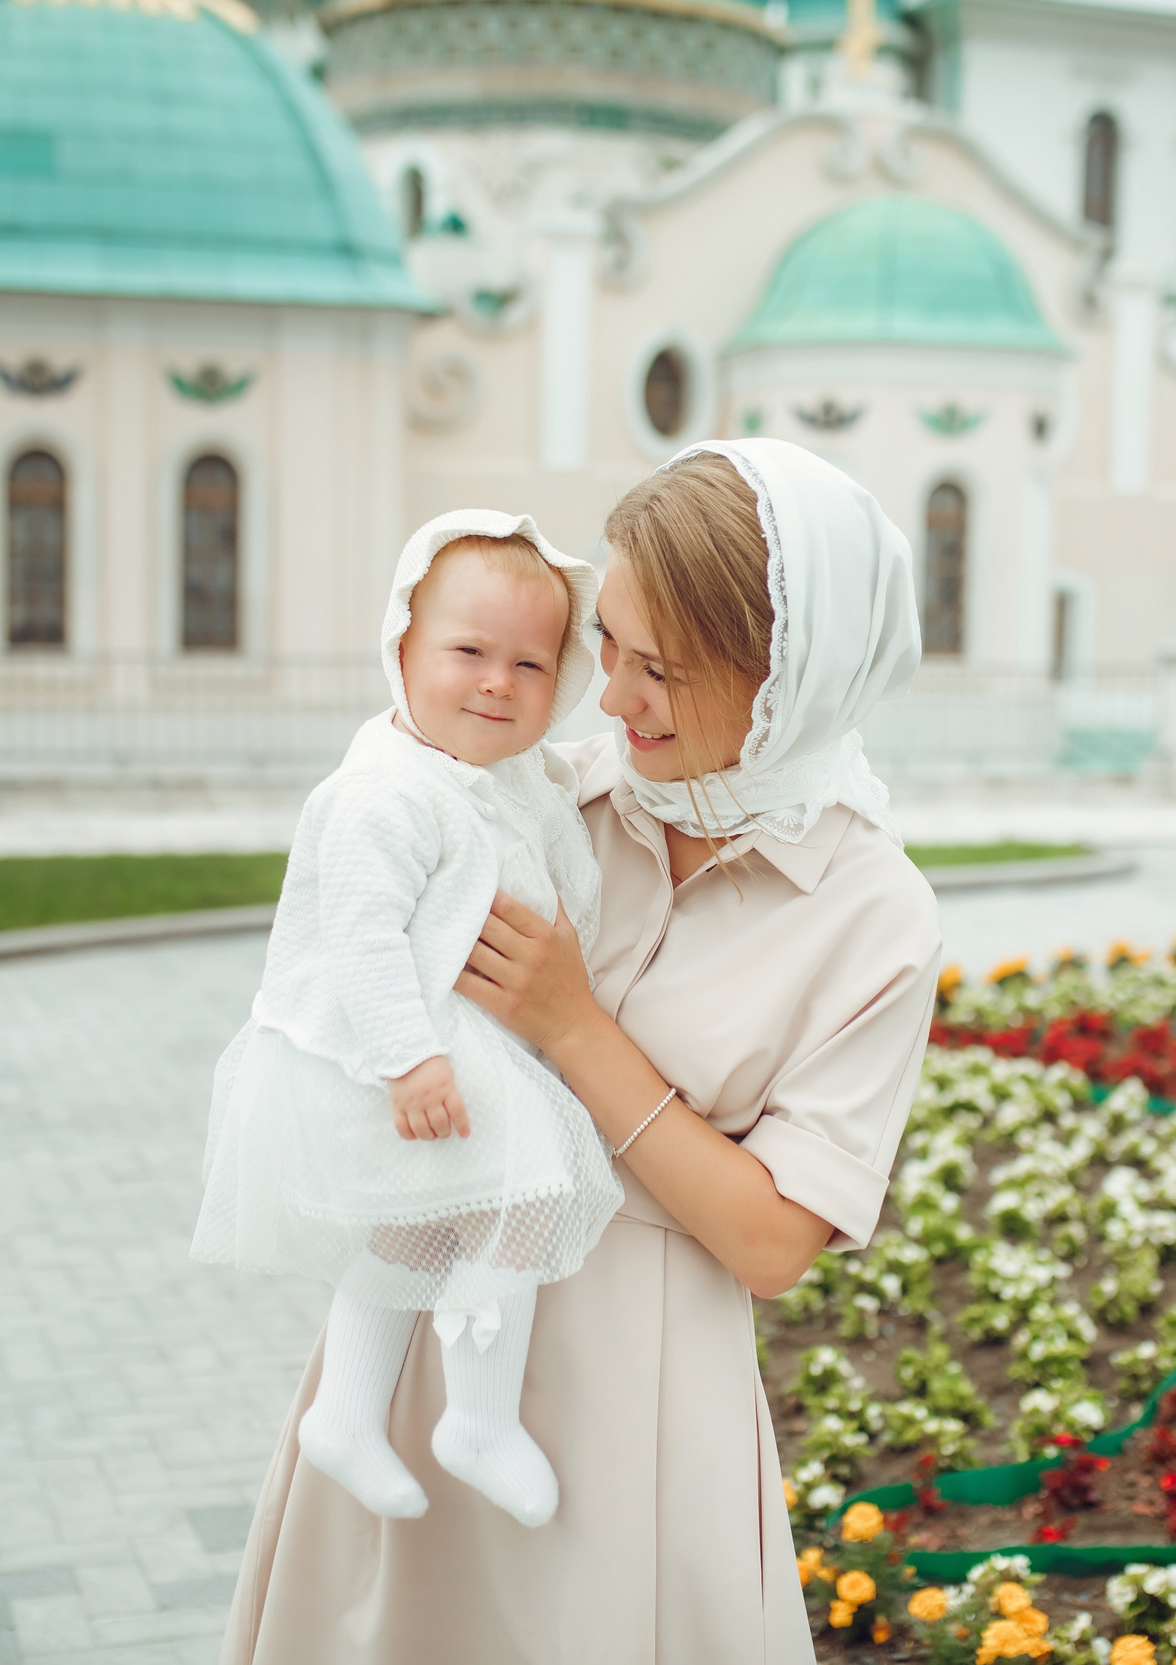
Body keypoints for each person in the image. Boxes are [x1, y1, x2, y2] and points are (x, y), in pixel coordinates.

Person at [215, 440, 945, 1662]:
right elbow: (359, 897)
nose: (609, 699)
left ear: (788, 680)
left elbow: (772, 1244)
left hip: (640, 1415)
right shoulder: (535, 789)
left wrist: (572, 1027)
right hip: (429, 1372)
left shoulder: (872, 913)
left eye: (660, 669)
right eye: (606, 643)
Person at [191, 510, 620, 1530]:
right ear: (400, 649)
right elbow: (360, 935)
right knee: (534, 1187)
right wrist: (409, 1059)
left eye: (529, 664)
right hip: (398, 1053)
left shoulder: (507, 773)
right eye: (467, 652)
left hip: (458, 1045)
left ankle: (343, 1415)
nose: (496, 684)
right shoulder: (384, 793)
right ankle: (476, 1418)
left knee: (414, 1234)